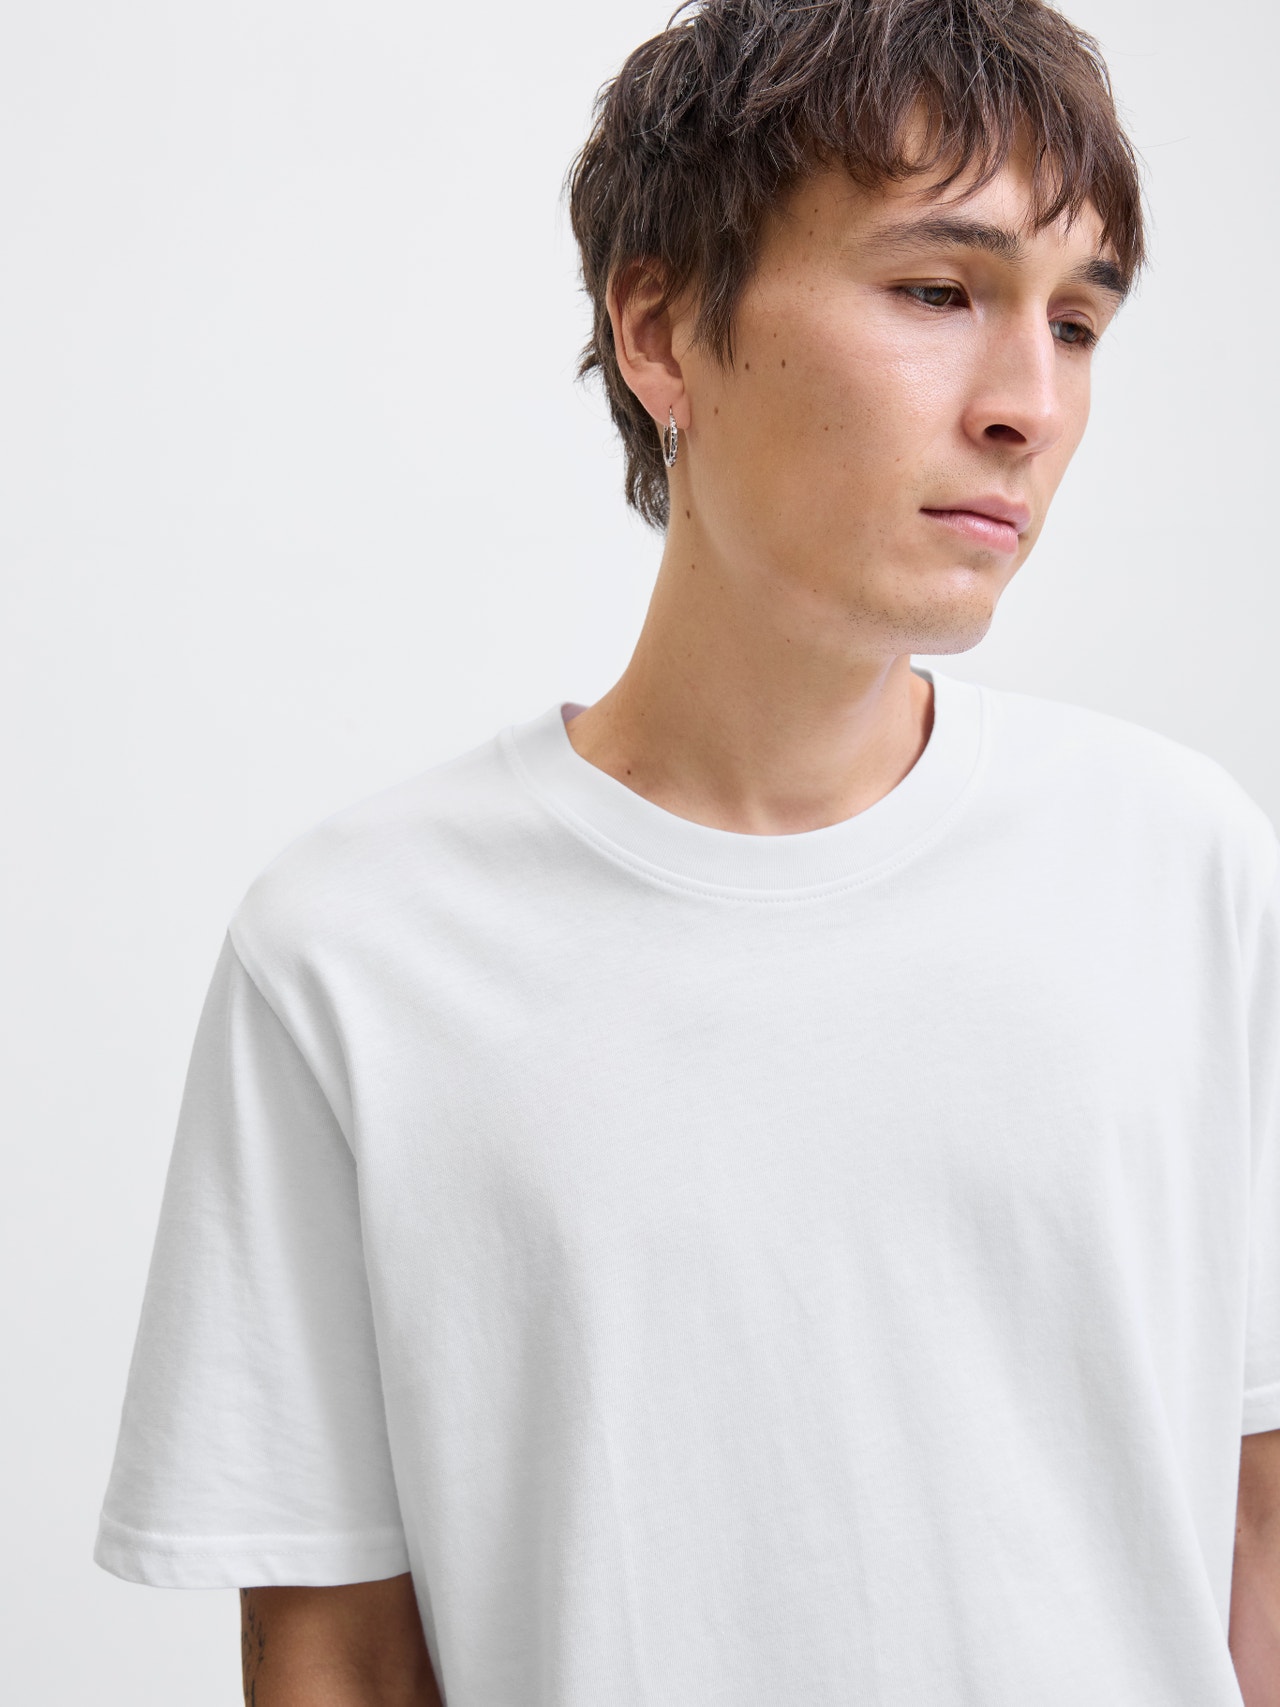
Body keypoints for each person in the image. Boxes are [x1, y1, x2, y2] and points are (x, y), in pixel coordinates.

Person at [93, 1, 1280, 1702]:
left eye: (1078, 321)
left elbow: (1260, 1535)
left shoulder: (1184, 871)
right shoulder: (354, 953)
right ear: (659, 329)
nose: (1030, 403)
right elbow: (335, 1648)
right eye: (937, 291)